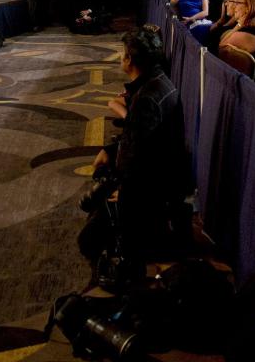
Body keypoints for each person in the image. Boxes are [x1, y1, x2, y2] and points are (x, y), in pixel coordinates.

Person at [79, 26, 193, 277]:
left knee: (88, 241)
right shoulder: (158, 80)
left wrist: (120, 190)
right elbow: (138, 138)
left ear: (129, 59)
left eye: (122, 53)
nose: (120, 57)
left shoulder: (147, 98)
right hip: (164, 173)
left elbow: (135, 156)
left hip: (154, 186)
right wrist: (110, 150)